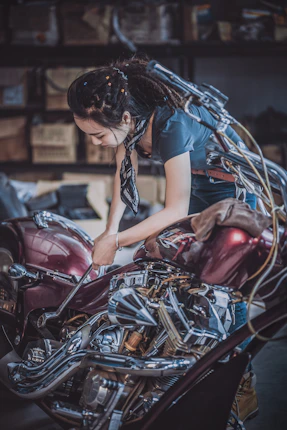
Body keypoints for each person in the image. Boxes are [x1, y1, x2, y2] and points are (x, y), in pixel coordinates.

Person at [67, 57, 257, 422]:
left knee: (225, 290)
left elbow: (174, 210)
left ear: (122, 120)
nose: (97, 143)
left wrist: (118, 241)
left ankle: (241, 382)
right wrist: (109, 231)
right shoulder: (132, 124)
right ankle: (188, 365)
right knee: (177, 274)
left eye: (98, 135)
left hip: (232, 196)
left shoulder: (170, 123)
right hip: (197, 192)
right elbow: (123, 184)